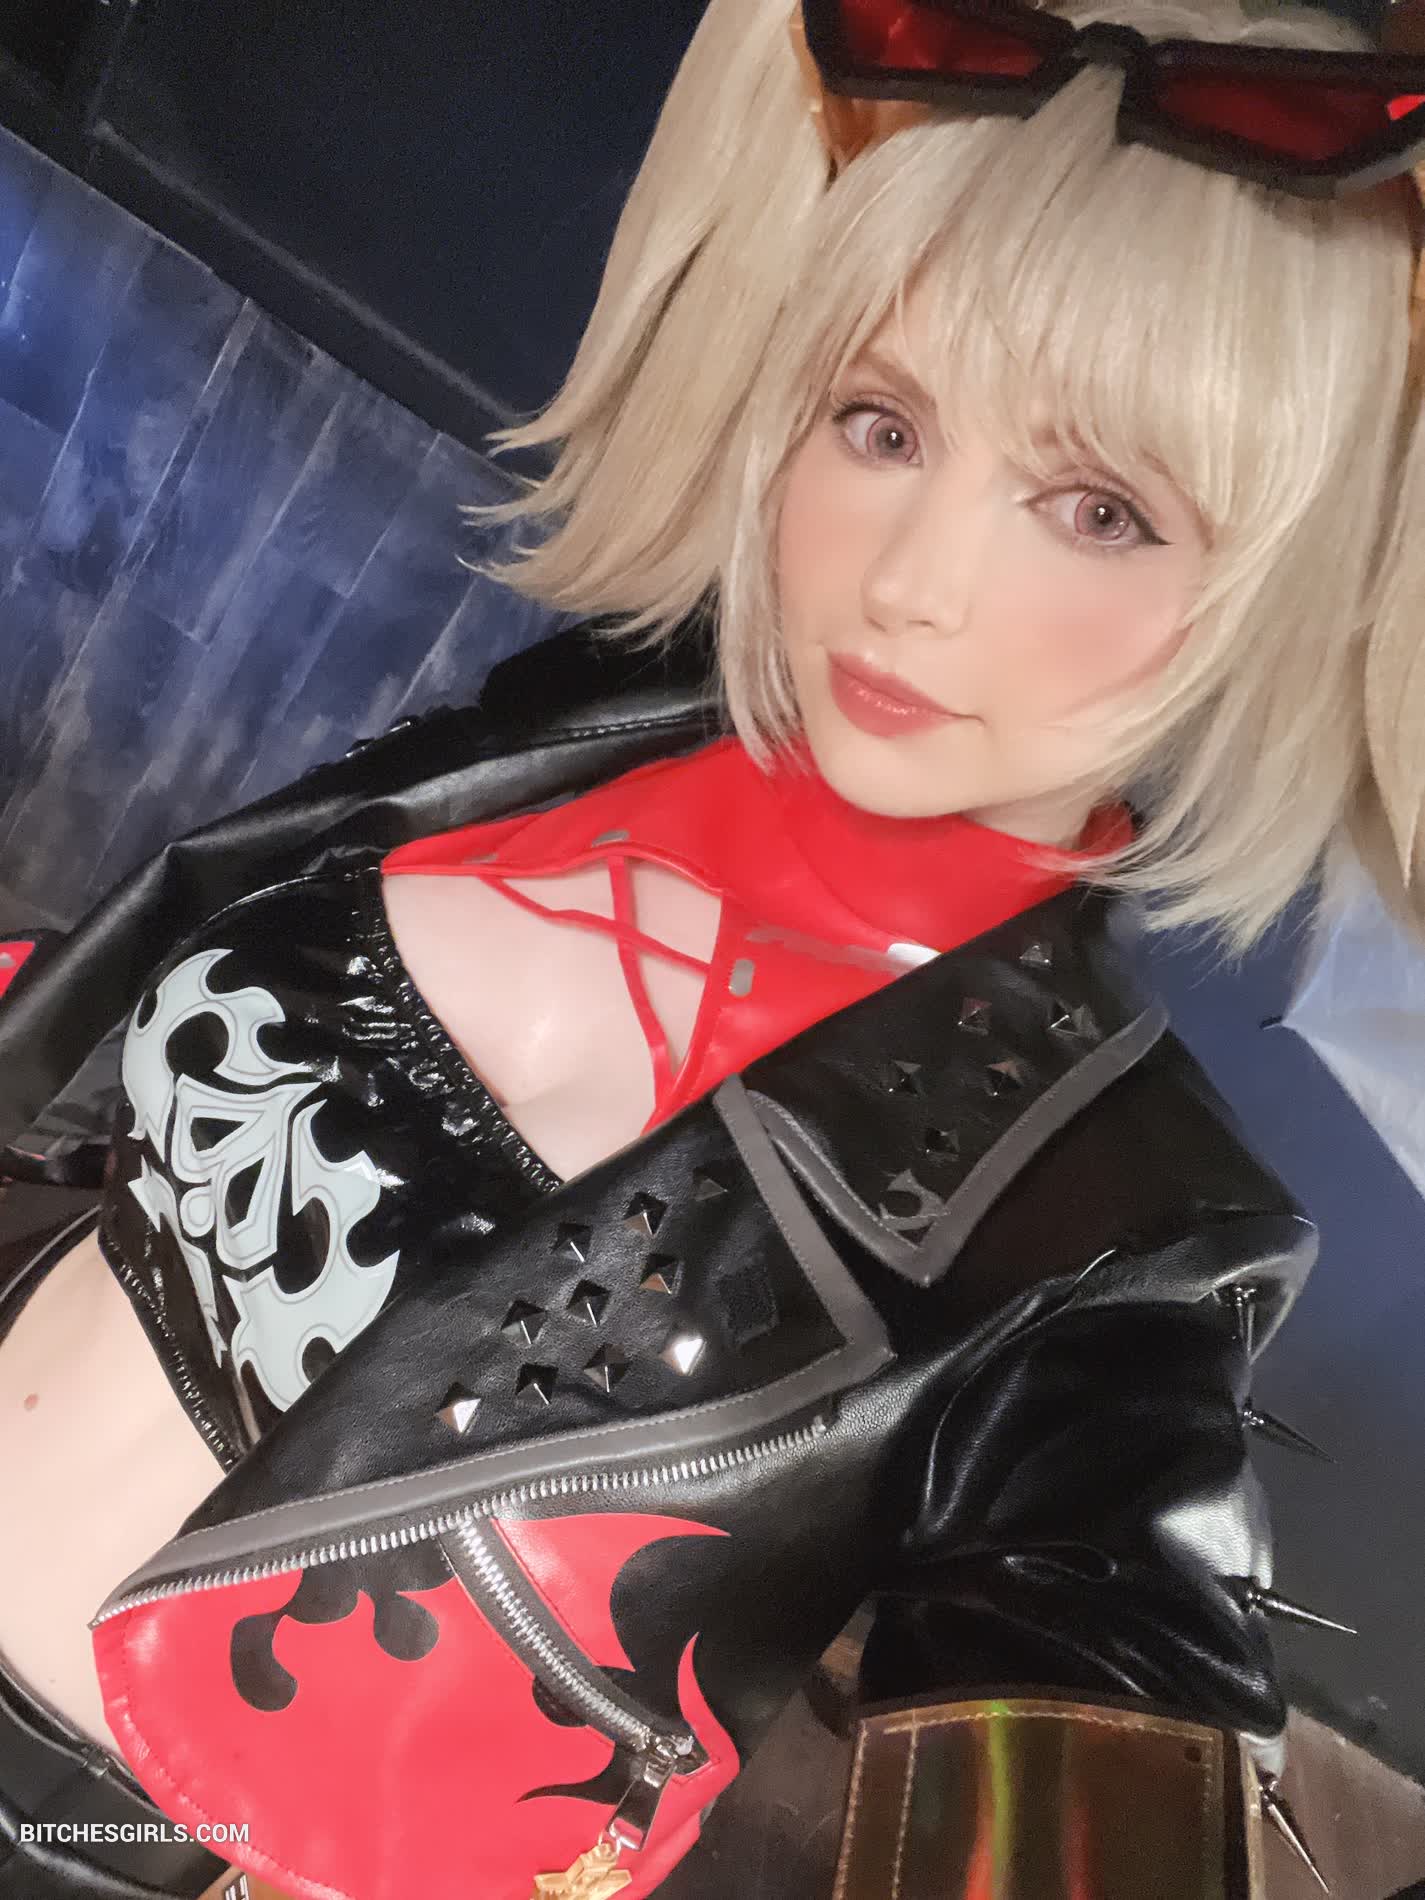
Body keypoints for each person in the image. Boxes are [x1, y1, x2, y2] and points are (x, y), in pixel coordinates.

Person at [0, 0, 1422, 1892]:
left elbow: (1097, 1705)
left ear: (1275, 589)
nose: (908, 583)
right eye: (881, 425)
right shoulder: (597, 719)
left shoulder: (1115, 1245)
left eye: (1099, 512)